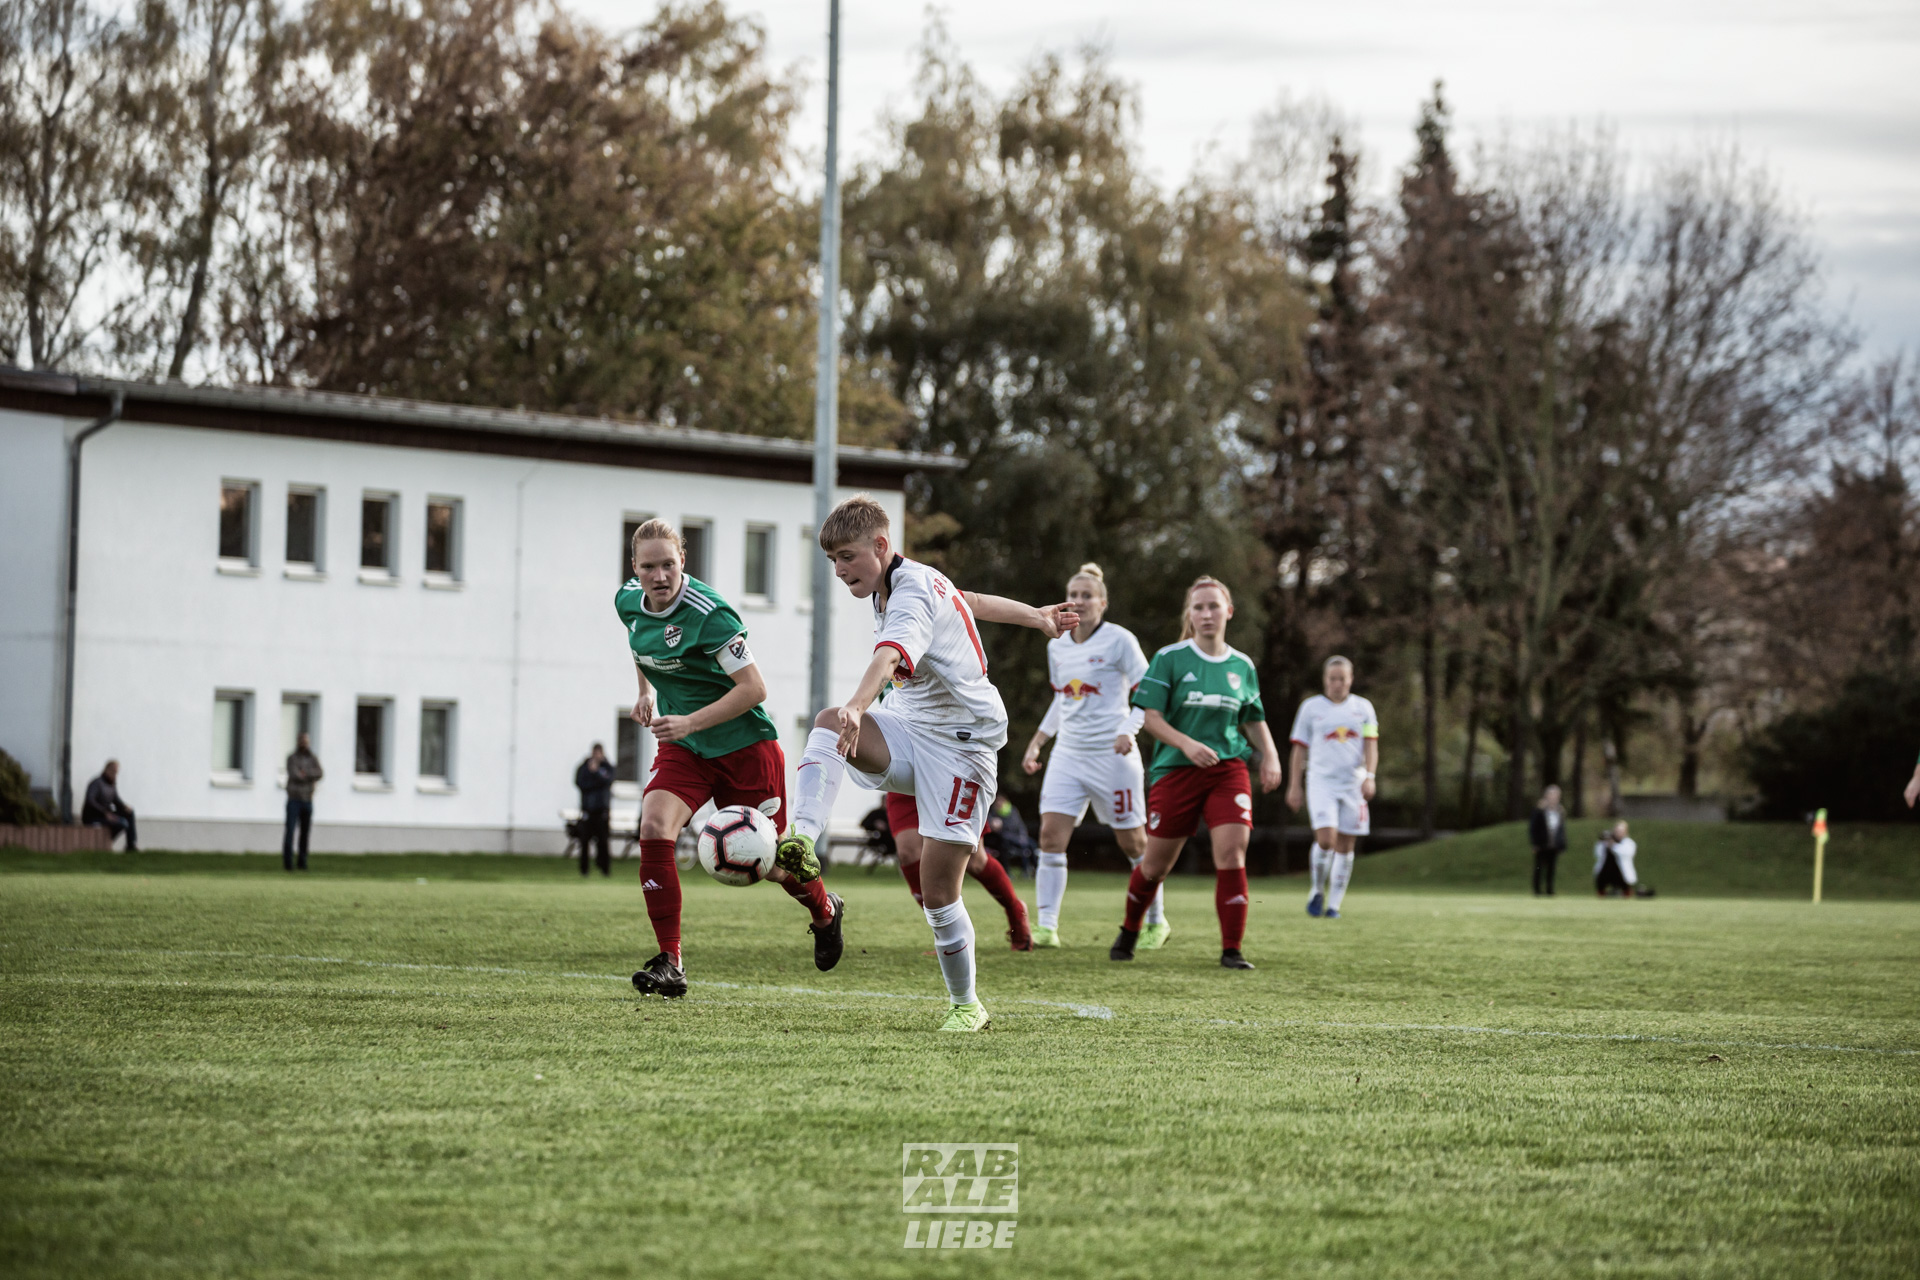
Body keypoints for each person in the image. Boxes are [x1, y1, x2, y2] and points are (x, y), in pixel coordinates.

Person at [775, 495, 1076, 1033]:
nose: (840, 571)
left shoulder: (910, 592)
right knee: (826, 722)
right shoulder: (903, 580)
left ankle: (967, 1006)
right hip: (912, 731)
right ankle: (802, 841)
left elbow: (888, 656)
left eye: (847, 557)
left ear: (881, 546)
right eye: (832, 561)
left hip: (964, 749)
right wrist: (1037, 617)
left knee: (939, 894)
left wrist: (858, 705)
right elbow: (972, 600)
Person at [618, 519, 843, 999]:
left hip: (745, 748)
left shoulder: (710, 614)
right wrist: (645, 693)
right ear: (634, 568)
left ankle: (825, 911)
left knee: (778, 863)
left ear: (683, 562)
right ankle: (670, 961)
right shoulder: (627, 603)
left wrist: (691, 720)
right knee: (654, 825)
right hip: (685, 747)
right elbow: (640, 647)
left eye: (668, 565)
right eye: (648, 567)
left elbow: (755, 689)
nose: (659, 577)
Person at [1110, 576, 1285, 969]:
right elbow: (1150, 717)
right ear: (1190, 614)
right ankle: (1130, 929)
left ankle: (1231, 950)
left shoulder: (1242, 665)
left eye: (1213, 606)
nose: (1206, 613)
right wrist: (1186, 743)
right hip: (1177, 770)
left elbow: (1254, 720)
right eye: (1198, 607)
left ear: (1229, 612)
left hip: (1228, 770)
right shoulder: (1170, 658)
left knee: (1232, 851)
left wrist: (1271, 756)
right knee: (1154, 866)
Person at [1021, 562, 1159, 949]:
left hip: (1112, 756)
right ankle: (1047, 926)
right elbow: (1062, 700)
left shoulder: (1120, 641)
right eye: (1074, 595)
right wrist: (1038, 742)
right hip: (1069, 753)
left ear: (1102, 603)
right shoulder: (1056, 644)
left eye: (1087, 596)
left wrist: (1127, 731)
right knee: (1050, 836)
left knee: (1134, 843)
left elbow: (1147, 695)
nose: (1079, 602)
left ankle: (1155, 921)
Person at [1287, 656, 1379, 920]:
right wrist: (1294, 786)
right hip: (1320, 782)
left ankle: (1334, 905)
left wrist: (1369, 775)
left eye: (1342, 678)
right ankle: (1316, 890)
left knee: (1346, 845)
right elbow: (1298, 749)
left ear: (1350, 679)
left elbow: (1371, 744)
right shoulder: (1310, 707)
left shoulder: (1364, 708)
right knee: (1326, 840)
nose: (1337, 684)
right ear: (1325, 680)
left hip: (1352, 783)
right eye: (1332, 678)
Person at [885, 792, 1032, 950]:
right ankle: (949, 936)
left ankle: (1015, 909)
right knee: (908, 854)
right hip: (907, 780)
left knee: (975, 861)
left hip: (949, 774)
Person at [574, 743, 615, 877]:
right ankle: (584, 870)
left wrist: (596, 772)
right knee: (584, 841)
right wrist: (594, 778)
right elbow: (580, 783)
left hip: (602, 811)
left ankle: (605, 869)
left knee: (603, 841)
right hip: (588, 810)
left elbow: (608, 781)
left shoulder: (607, 767)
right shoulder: (584, 767)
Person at [283, 733, 323, 871]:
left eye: (306, 741)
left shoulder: (313, 758)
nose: (304, 744)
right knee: (290, 831)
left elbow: (319, 773)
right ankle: (288, 863)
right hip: (294, 799)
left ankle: (302, 863)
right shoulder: (292, 758)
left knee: (305, 833)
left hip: (308, 799)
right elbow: (295, 775)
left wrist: (305, 773)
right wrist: (307, 775)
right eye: (302, 741)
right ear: (298, 742)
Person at [81, 760, 137, 851]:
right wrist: (105, 813)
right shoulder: (96, 783)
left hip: (107, 815)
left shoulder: (111, 785)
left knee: (129, 814)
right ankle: (105, 841)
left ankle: (131, 845)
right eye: (113, 772)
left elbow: (116, 800)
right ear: (107, 770)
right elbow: (90, 801)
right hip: (94, 816)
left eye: (116, 772)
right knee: (122, 823)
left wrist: (125, 807)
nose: (115, 775)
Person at [1528, 784, 1567, 896]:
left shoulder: (1560, 811)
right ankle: (1537, 890)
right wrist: (1535, 843)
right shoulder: (1540, 810)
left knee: (1551, 869)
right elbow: (1533, 827)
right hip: (1541, 844)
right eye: (1551, 795)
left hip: (1554, 845)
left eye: (1556, 795)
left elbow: (1561, 829)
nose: (1554, 798)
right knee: (1539, 867)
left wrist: (1562, 844)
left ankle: (1549, 889)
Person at [1593, 821, 1637, 897]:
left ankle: (1627, 893)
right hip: (1606, 871)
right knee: (1600, 879)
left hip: (1620, 873)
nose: (1618, 833)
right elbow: (1598, 854)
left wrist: (1613, 845)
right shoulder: (1606, 843)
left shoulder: (1629, 843)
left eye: (1620, 831)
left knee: (1625, 884)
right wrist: (1602, 841)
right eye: (1617, 831)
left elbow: (1626, 853)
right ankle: (1601, 893)